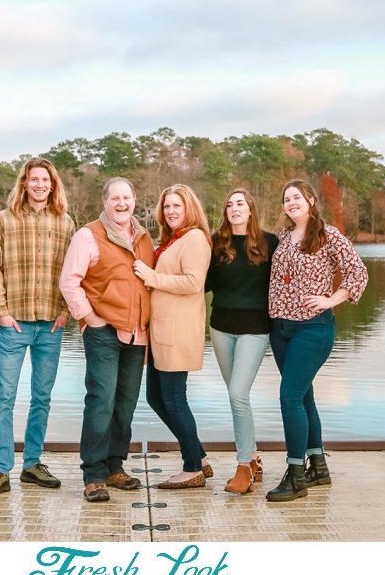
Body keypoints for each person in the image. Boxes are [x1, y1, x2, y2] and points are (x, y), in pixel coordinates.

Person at [0, 158, 76, 500]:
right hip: (14, 325)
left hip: (51, 324)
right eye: (33, 179)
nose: (39, 185)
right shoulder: (5, 220)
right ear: (24, 183)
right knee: (5, 398)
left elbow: (73, 272)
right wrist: (2, 312)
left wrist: (65, 311)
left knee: (42, 398)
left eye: (44, 180)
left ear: (52, 185)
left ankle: (32, 463)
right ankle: (0, 469)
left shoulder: (65, 223)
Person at [265, 178, 368, 502]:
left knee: (289, 397)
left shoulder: (328, 235)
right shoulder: (284, 235)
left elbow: (358, 273)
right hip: (281, 329)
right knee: (303, 397)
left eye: (296, 197)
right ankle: (318, 467)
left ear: (310, 199)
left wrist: (330, 300)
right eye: (286, 199)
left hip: (312, 328)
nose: (291, 202)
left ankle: (296, 475)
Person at [59, 177, 155, 503]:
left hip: (137, 334)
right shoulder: (88, 235)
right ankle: (94, 474)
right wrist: (90, 317)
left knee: (125, 404)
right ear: (105, 201)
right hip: (104, 332)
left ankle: (116, 466)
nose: (121, 203)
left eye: (126, 197)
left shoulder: (144, 238)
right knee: (101, 401)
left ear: (134, 200)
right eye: (115, 198)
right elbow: (69, 281)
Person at [132, 184, 214, 489]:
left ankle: (191, 467)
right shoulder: (173, 240)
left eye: (177, 205)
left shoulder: (194, 238)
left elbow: (194, 282)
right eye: (167, 206)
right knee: (156, 397)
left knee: (175, 399)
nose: (171, 211)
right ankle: (200, 456)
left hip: (178, 329)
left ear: (189, 208)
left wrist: (152, 277)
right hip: (161, 329)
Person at [204, 188, 279, 495]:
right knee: (237, 398)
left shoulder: (269, 242)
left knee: (238, 393)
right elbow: (203, 282)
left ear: (250, 209)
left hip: (255, 328)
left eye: (240, 203)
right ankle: (255, 457)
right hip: (221, 327)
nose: (234, 208)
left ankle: (243, 467)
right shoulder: (215, 242)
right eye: (230, 204)